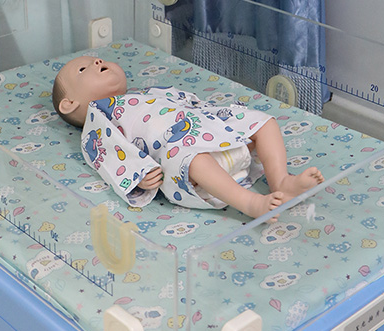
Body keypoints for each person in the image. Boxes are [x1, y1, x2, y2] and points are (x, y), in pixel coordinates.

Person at [52, 56, 324, 219]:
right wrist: (139, 175)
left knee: (263, 122)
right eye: (83, 69)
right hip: (187, 163)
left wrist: (219, 116)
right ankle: (250, 203)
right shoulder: (98, 119)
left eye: (98, 59)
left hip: (213, 136)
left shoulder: (144, 94)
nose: (98, 62)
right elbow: (107, 155)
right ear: (69, 103)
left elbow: (187, 103)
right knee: (191, 158)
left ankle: (281, 181)